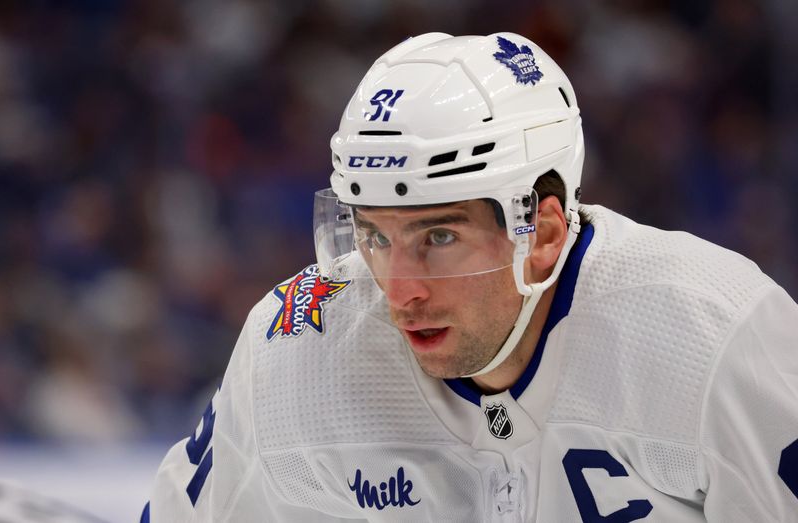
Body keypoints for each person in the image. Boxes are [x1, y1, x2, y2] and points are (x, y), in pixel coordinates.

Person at [143, 32, 798, 522]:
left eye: (439, 236)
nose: (400, 291)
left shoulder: (715, 334)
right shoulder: (296, 345)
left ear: (541, 232)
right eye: (374, 234)